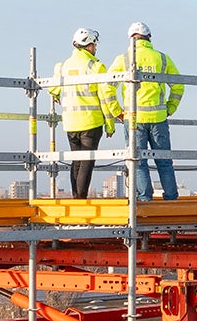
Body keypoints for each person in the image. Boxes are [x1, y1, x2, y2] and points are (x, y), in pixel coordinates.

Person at [103, 21, 184, 201]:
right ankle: (171, 199)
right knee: (164, 161)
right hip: (158, 118)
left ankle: (144, 199)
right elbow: (179, 85)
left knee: (138, 162)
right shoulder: (162, 58)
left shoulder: (124, 58)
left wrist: (117, 111)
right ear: (149, 38)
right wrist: (170, 107)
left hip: (133, 119)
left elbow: (106, 87)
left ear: (131, 39)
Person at [47, 28, 112, 199]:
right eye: (94, 44)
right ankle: (81, 199)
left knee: (76, 161)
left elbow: (53, 87)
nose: (96, 47)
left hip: (70, 123)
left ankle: (76, 198)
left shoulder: (63, 66)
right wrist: (110, 124)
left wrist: (55, 94)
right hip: (91, 122)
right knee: (87, 162)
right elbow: (105, 98)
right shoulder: (96, 66)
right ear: (89, 45)